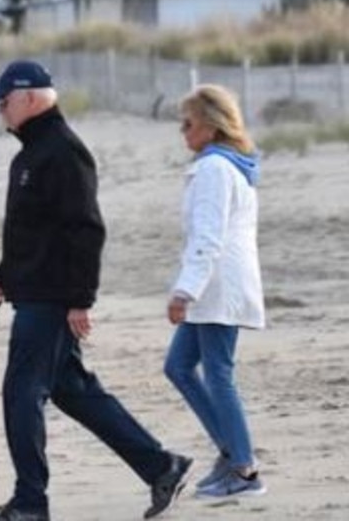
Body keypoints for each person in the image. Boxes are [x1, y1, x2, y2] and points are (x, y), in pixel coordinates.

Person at [0, 60, 191, 521]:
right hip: (32, 292)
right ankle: (162, 466)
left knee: (20, 393)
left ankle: (31, 504)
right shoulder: (30, 155)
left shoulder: (63, 152)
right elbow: (29, 233)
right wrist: (1, 280)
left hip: (51, 300)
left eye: (5, 101)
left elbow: (86, 230)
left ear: (31, 97)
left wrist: (80, 299)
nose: (0, 111)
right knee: (73, 392)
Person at [163, 84, 266, 499]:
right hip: (217, 287)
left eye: (187, 123)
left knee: (218, 374)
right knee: (179, 366)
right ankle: (231, 453)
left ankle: (244, 470)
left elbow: (209, 238)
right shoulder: (225, 165)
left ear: (209, 126)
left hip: (217, 288)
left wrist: (184, 291)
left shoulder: (215, 169)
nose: (182, 131)